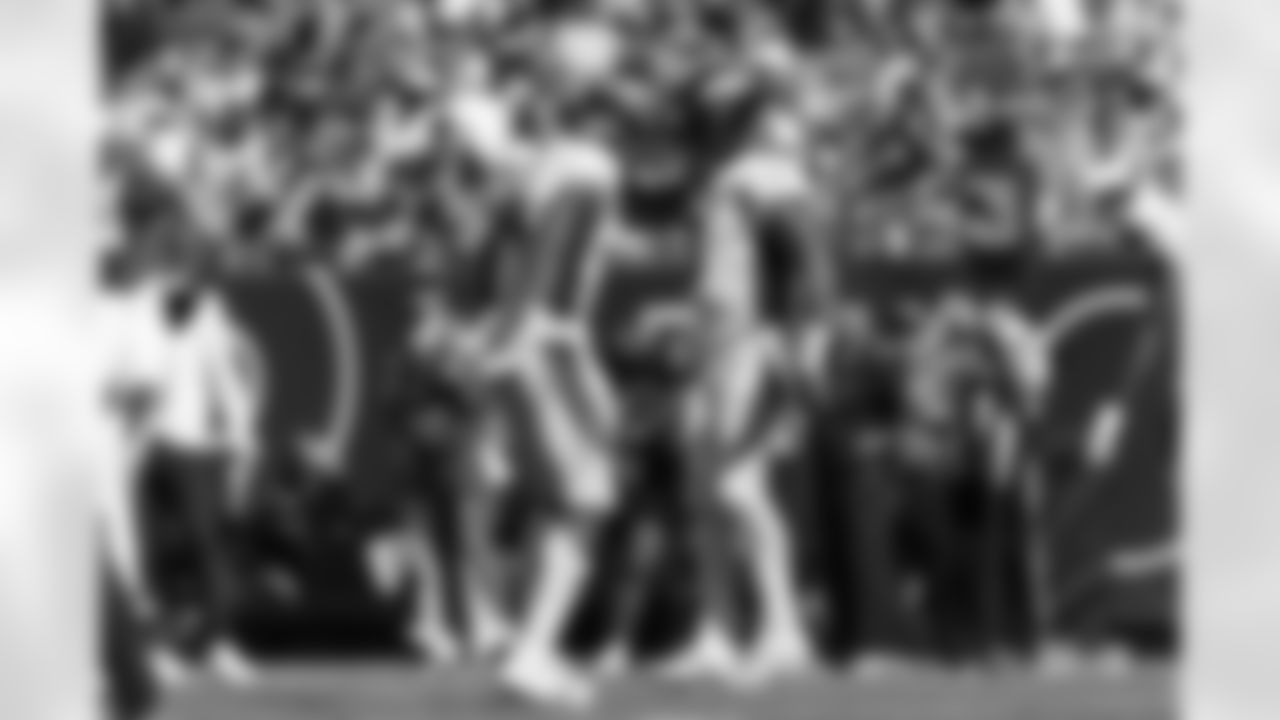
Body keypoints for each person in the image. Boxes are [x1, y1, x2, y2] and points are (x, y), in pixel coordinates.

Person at [128, 246, 260, 688]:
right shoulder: (140, 306)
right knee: (147, 553)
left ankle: (212, 643)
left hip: (192, 446)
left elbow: (226, 379)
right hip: (142, 447)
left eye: (197, 274)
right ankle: (160, 648)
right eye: (181, 270)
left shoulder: (210, 315)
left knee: (208, 547)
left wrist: (243, 440)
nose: (188, 280)